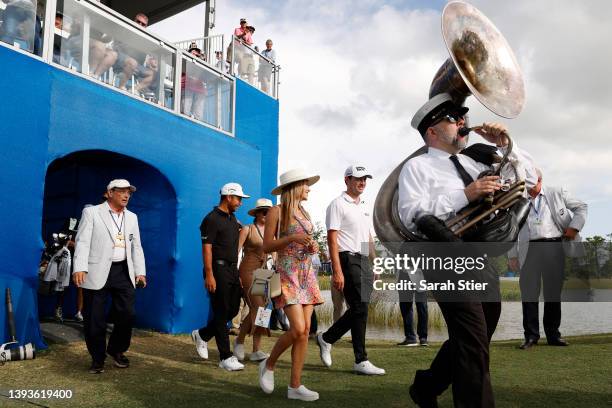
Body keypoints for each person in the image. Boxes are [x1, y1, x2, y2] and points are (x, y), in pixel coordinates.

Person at [398, 93, 537, 407]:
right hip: (441, 254)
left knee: (480, 331)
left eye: (461, 118)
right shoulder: (416, 167)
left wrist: (504, 144)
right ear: (431, 131)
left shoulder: (475, 158)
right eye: (452, 119)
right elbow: (411, 213)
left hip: (478, 252)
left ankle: (426, 386)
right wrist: (466, 194)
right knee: (473, 339)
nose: (461, 123)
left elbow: (528, 180)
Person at [258, 168, 324, 401]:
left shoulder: (305, 212)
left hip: (307, 274)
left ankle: (295, 386)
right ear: (295, 186)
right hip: (286, 274)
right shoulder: (276, 211)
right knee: (296, 328)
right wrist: (292, 239)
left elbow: (304, 242)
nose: (308, 189)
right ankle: (269, 364)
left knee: (305, 332)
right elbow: (267, 246)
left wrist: (312, 246)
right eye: (306, 184)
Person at [315, 165, 385, 376]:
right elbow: (332, 239)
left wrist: (376, 262)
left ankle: (327, 339)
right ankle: (359, 359)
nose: (362, 182)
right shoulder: (337, 204)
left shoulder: (363, 205)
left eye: (365, 179)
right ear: (347, 180)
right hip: (346, 258)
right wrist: (337, 270)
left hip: (363, 260)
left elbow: (367, 238)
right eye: (358, 179)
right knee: (359, 308)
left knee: (360, 309)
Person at [72, 179, 146, 374]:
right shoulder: (92, 212)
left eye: (128, 192)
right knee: (94, 318)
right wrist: (79, 267)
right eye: (121, 191)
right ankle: (97, 358)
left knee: (127, 314)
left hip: (124, 270)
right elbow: (82, 242)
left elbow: (136, 246)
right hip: (96, 269)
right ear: (109, 193)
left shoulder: (132, 217)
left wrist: (140, 272)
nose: (126, 195)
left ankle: (116, 350)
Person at [508, 169, 587, 350]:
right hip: (529, 250)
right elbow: (511, 229)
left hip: (554, 247)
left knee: (552, 293)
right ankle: (531, 336)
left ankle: (553, 335)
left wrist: (574, 228)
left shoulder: (556, 192)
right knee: (529, 293)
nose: (527, 185)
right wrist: (512, 255)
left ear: (540, 180)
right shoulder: (518, 201)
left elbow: (581, 207)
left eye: (530, 181)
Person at [191, 183, 251, 371]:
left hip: (232, 271)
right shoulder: (211, 219)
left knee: (232, 310)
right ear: (228, 197)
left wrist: (237, 272)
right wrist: (209, 274)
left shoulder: (233, 219)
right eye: (239, 199)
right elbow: (207, 249)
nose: (241, 203)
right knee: (220, 311)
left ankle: (202, 335)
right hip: (217, 270)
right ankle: (225, 357)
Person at [234, 198, 274, 362]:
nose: (267, 214)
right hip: (248, 270)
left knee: (263, 310)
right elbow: (235, 252)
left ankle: (255, 349)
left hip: (267, 272)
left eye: (269, 212)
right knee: (257, 307)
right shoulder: (247, 229)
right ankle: (239, 341)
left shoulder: (273, 231)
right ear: (257, 213)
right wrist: (235, 273)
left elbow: (275, 254)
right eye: (264, 211)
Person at [181, 42, 207, 120]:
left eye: (196, 51)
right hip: (187, 87)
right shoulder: (184, 59)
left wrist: (201, 57)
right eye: (192, 51)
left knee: (198, 116)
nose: (194, 52)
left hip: (200, 89)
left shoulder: (200, 62)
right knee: (184, 113)